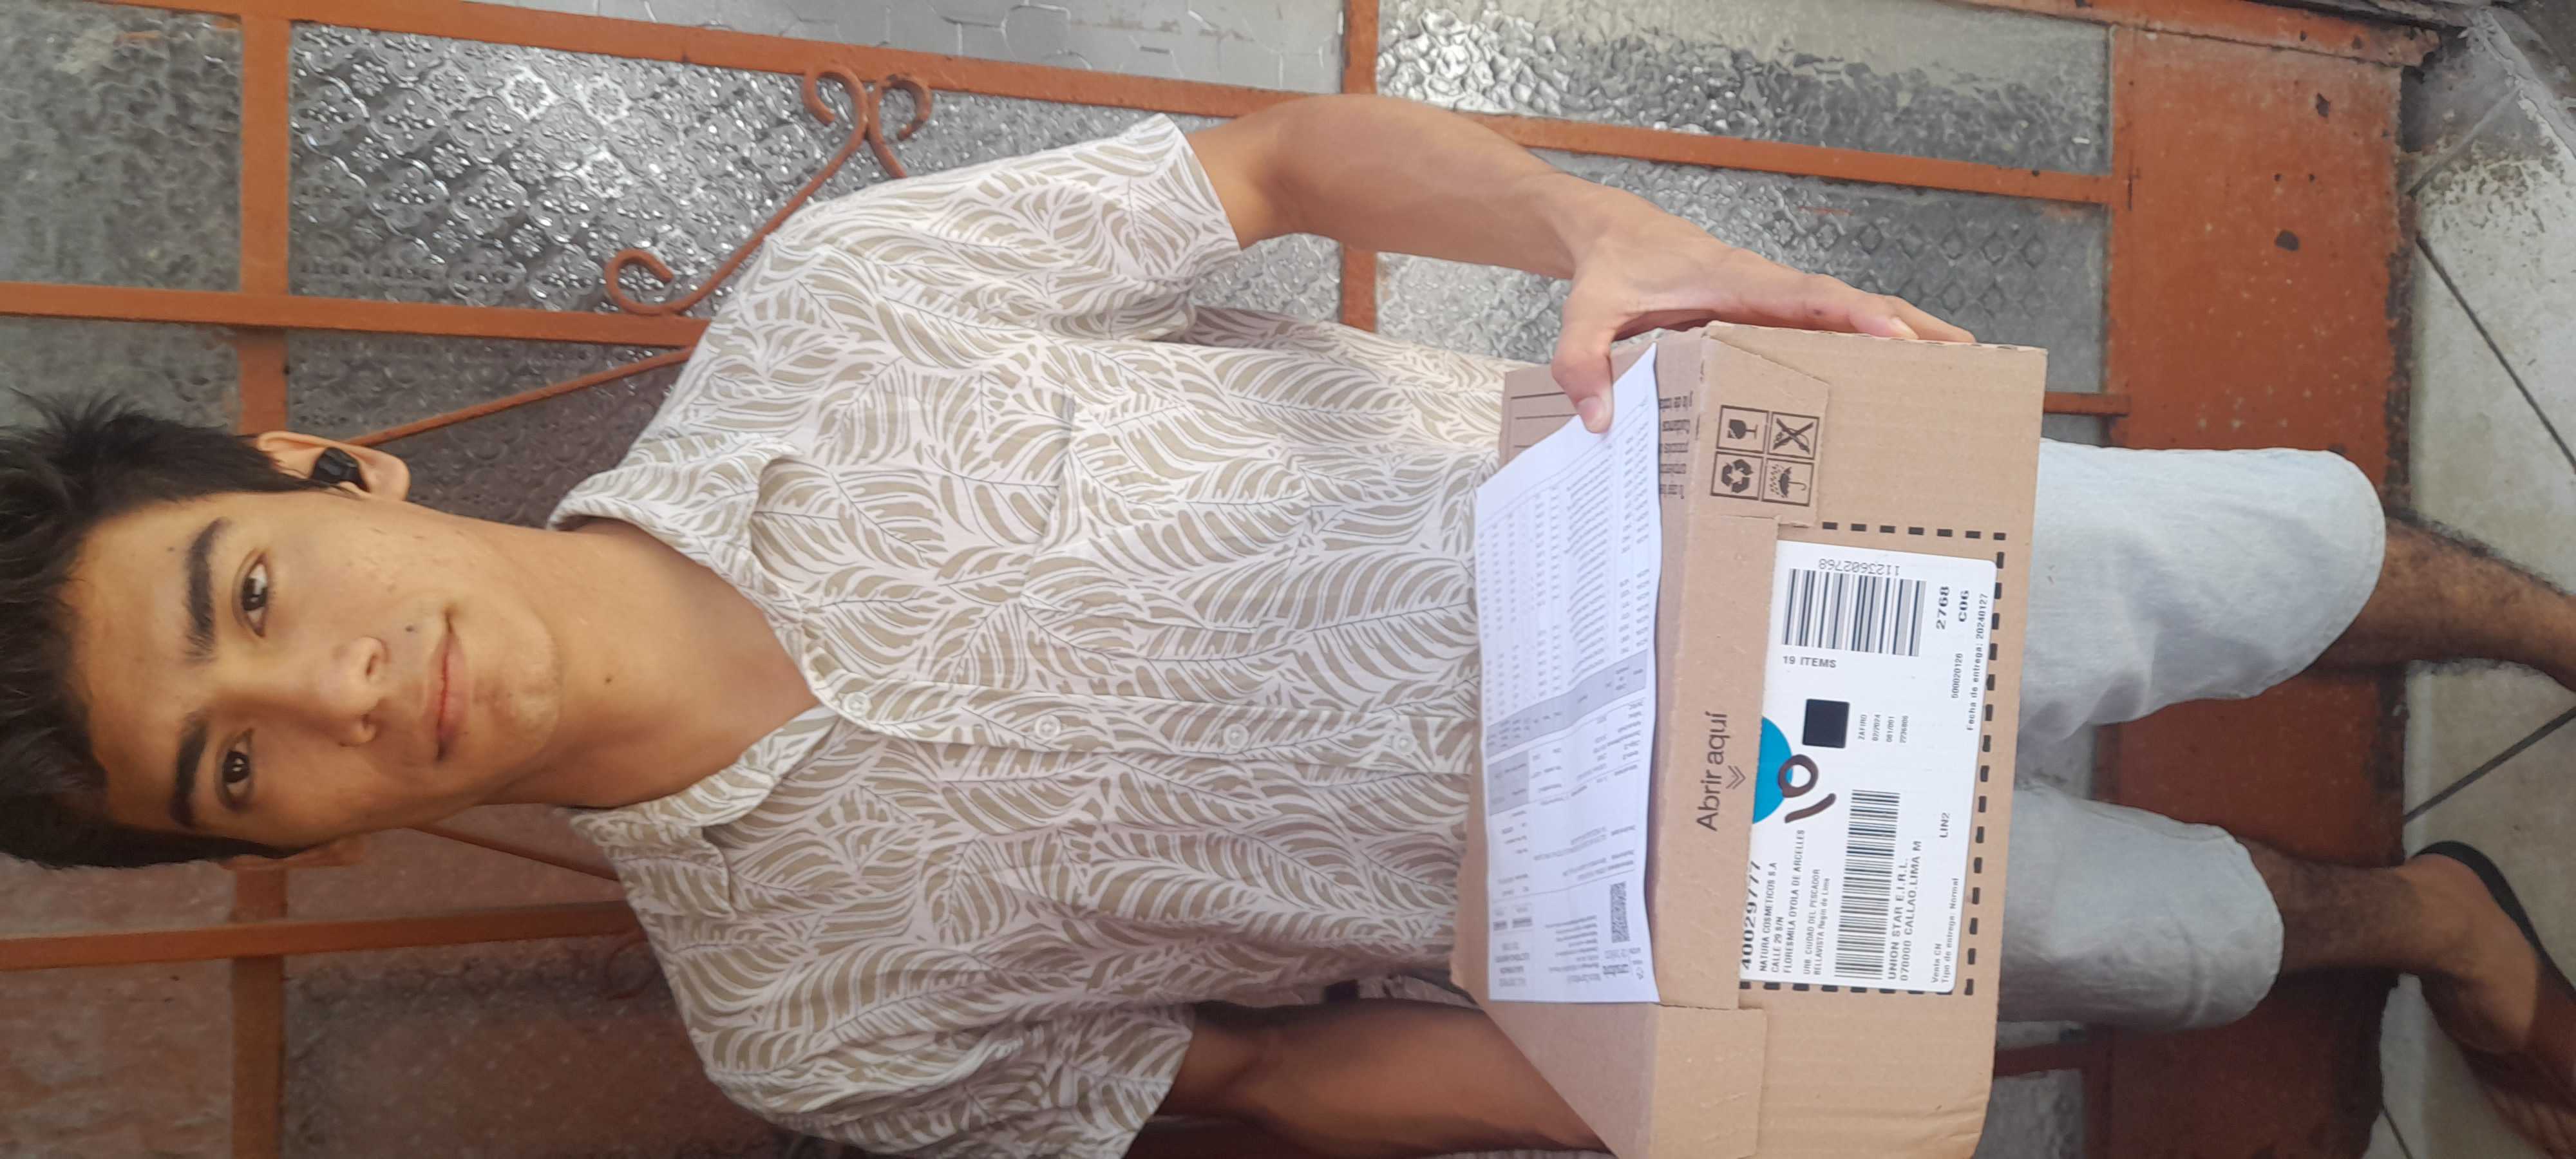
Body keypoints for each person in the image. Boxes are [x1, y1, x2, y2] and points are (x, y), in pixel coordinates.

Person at [6, 94, 2570, 1158]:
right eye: (234, 758)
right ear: (269, 838)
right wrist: (1630, 1106)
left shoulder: (838, 317)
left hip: (1755, 526)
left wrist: (1605, 235)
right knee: (2162, 943)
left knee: (2259, 562)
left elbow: (1266, 163)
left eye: (254, 593)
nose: (333, 690)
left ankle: (2551, 628)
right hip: (1702, 924)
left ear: (324, 473)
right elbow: (1262, 1071)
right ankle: (2431, 921)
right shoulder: (800, 1031)